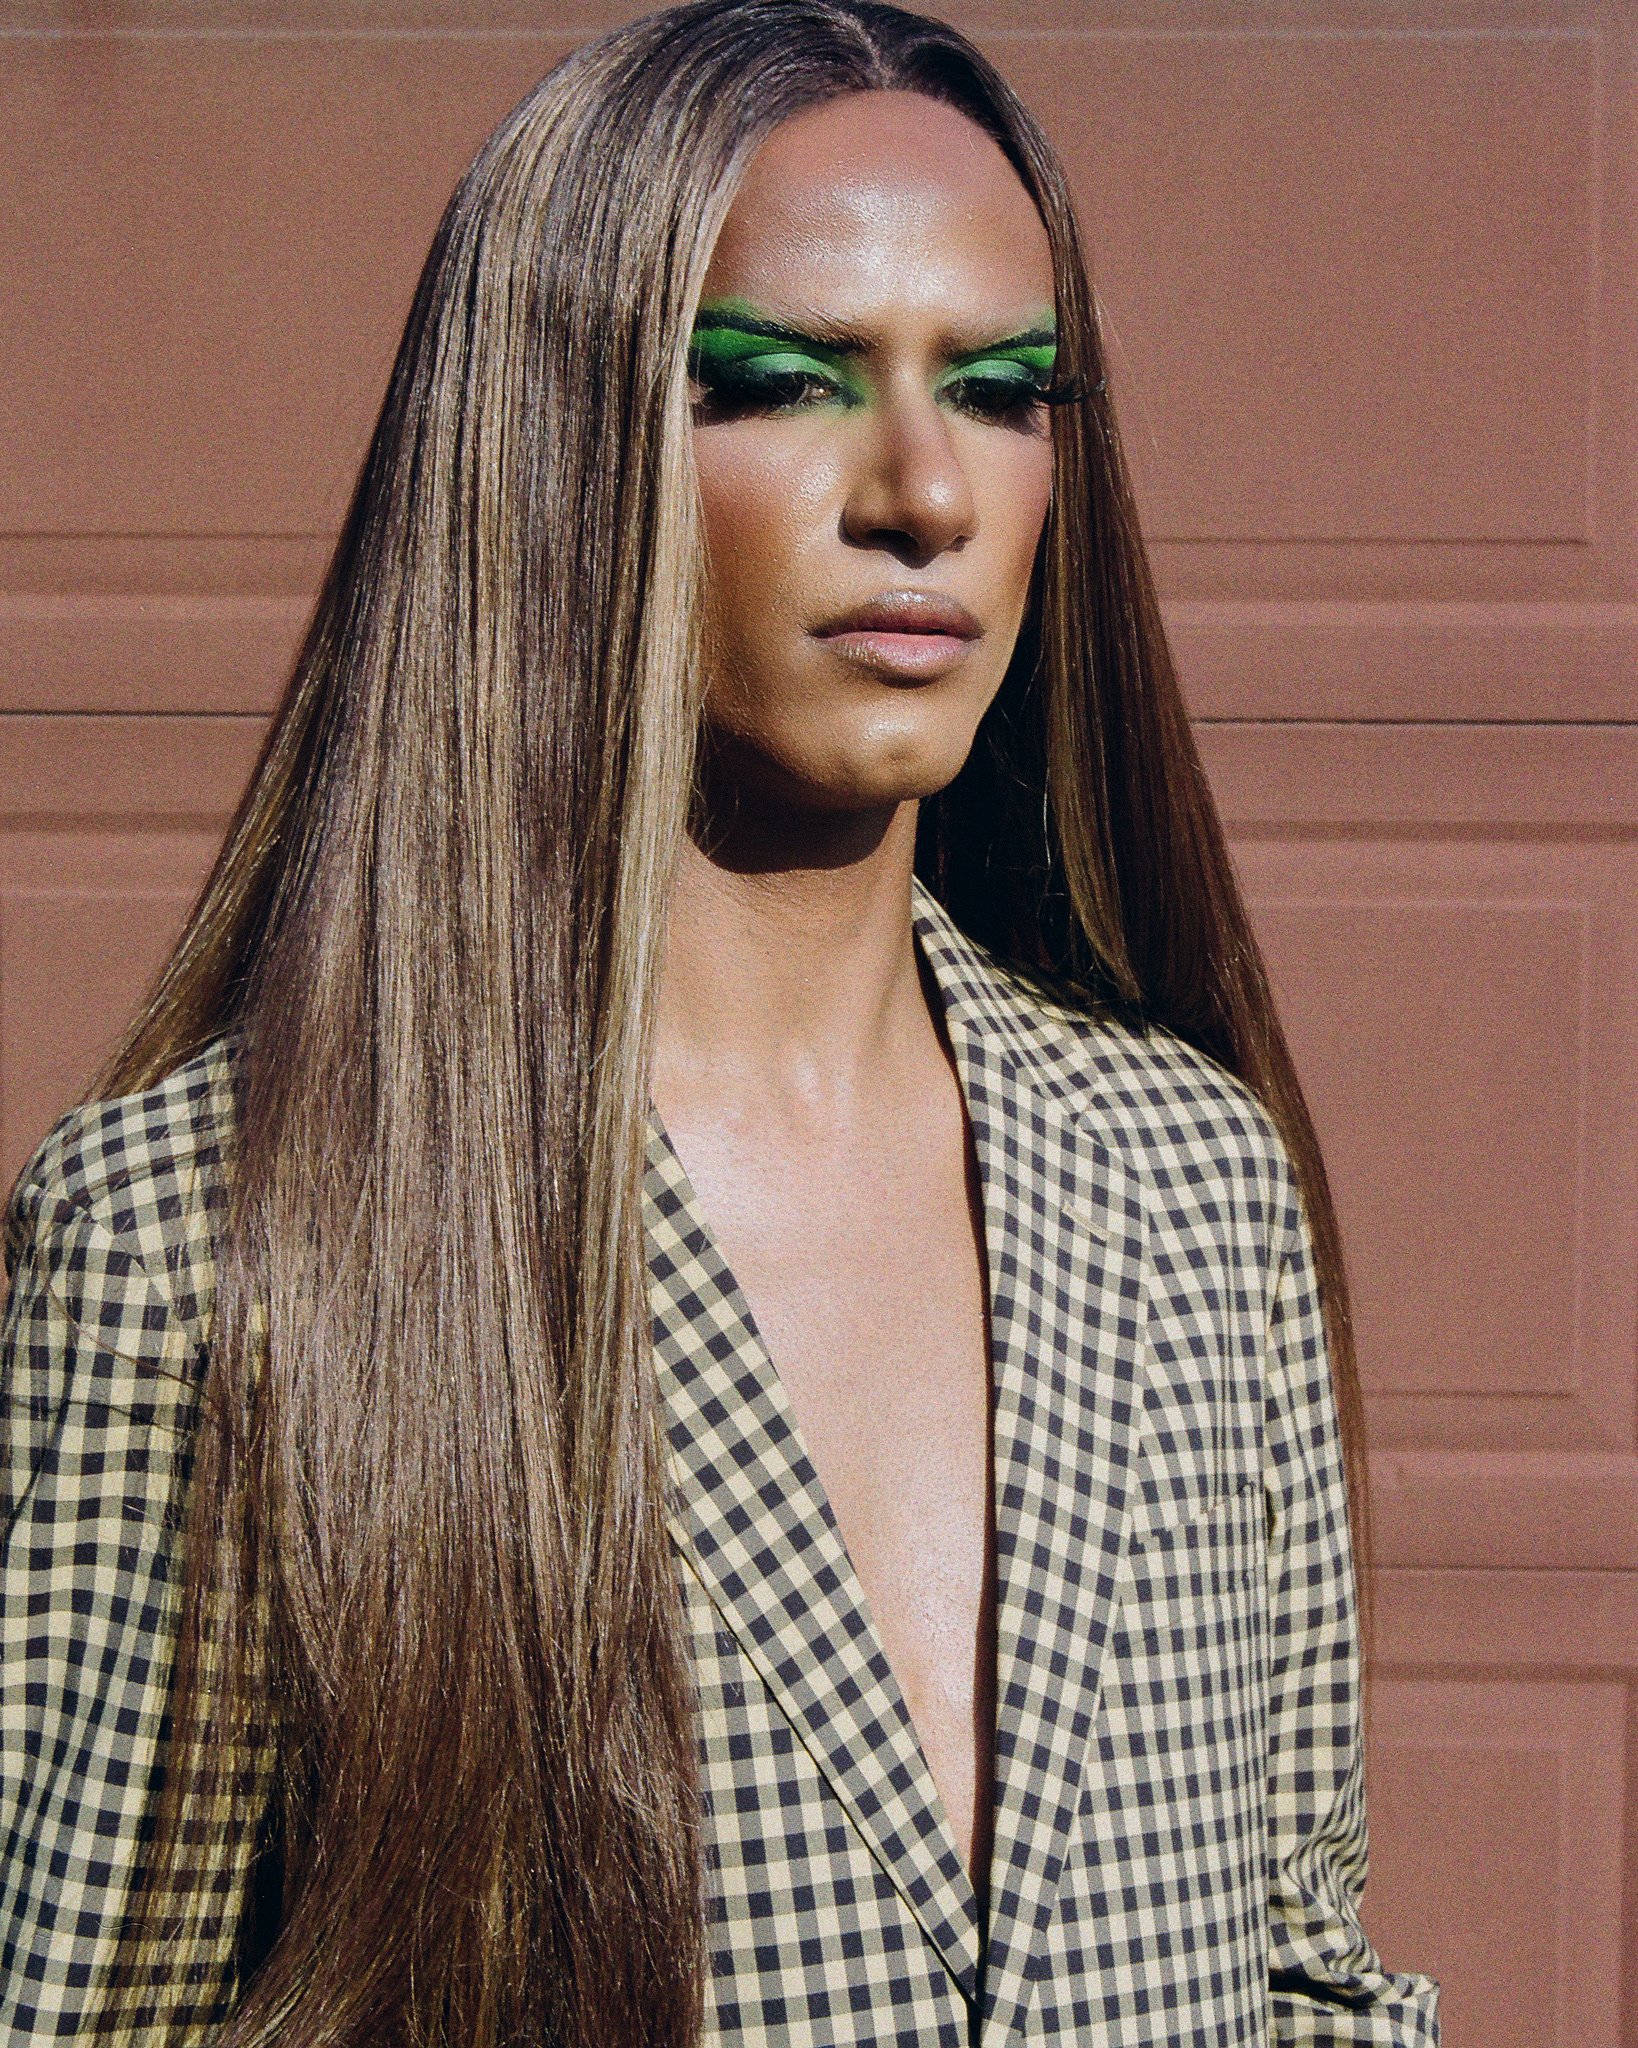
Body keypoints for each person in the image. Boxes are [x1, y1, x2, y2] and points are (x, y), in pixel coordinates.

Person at [0, 2, 1442, 2042]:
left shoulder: (1194, 1184)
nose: (926, 490)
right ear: (550, 438)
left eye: (1002, 391)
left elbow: (1307, 1974)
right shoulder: (211, 1249)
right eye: (780, 381)